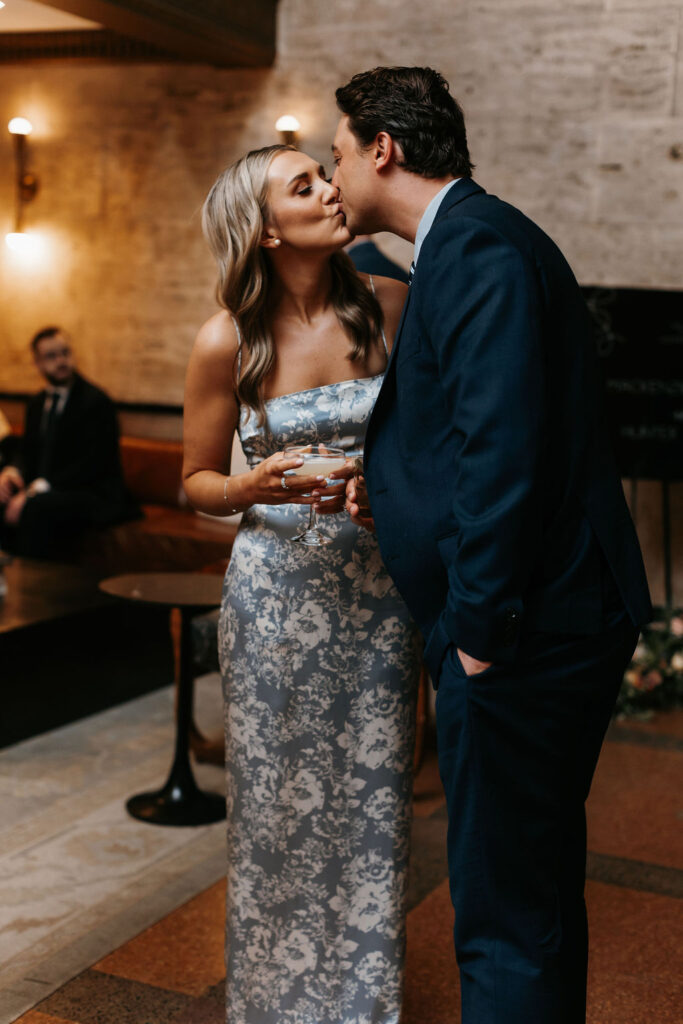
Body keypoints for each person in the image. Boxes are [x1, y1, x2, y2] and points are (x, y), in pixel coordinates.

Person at [332, 67, 652, 1024]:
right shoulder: (469, 242)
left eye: (337, 154)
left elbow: (502, 453)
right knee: (526, 886)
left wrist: (475, 633)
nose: (333, 173)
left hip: (520, 631)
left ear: (381, 149)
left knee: (503, 906)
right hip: (528, 621)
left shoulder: (475, 250)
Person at [182, 144, 422, 1024]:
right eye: (305, 185)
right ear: (265, 228)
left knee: (371, 810)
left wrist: (389, 497)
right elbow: (196, 480)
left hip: (376, 600)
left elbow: (431, 448)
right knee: (275, 813)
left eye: (327, 172)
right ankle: (273, 1007)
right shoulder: (226, 339)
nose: (331, 188)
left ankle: (362, 1008)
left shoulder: (392, 307)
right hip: (274, 602)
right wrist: (252, 485)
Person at [0, 326, 131, 559]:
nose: (61, 361)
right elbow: (27, 450)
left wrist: (34, 491)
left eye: (65, 353)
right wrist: (12, 472)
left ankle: (31, 584)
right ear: (37, 364)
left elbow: (93, 463)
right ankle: (6, 577)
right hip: (50, 489)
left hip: (91, 492)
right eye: (51, 356)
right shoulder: (37, 403)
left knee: (37, 507)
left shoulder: (96, 402)